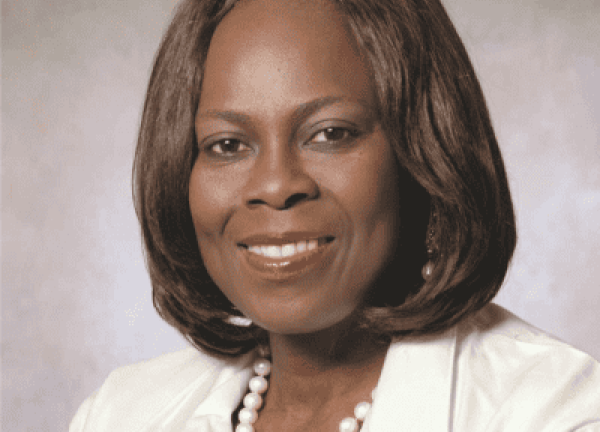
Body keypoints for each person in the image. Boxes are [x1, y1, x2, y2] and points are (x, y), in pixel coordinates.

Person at [70, 0, 600, 430]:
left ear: (425, 152)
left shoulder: (553, 412)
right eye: (228, 144)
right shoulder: (121, 413)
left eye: (330, 134)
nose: (276, 186)